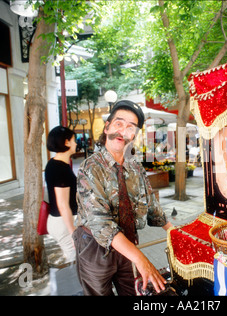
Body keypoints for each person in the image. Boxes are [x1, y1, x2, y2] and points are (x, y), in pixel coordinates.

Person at [73, 100, 173, 296]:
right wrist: (141, 259)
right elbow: (101, 225)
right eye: (119, 123)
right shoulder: (90, 168)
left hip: (127, 243)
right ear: (107, 127)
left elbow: (151, 205)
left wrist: (173, 231)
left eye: (130, 127)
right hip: (94, 246)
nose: (122, 131)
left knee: (134, 291)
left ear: (134, 135)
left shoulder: (135, 167)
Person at [45, 126, 78, 263]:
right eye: (73, 140)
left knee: (75, 260)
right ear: (66, 143)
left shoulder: (55, 164)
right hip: (63, 223)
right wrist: (73, 233)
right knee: (75, 261)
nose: (76, 143)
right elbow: (63, 204)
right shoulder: (60, 168)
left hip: (60, 221)